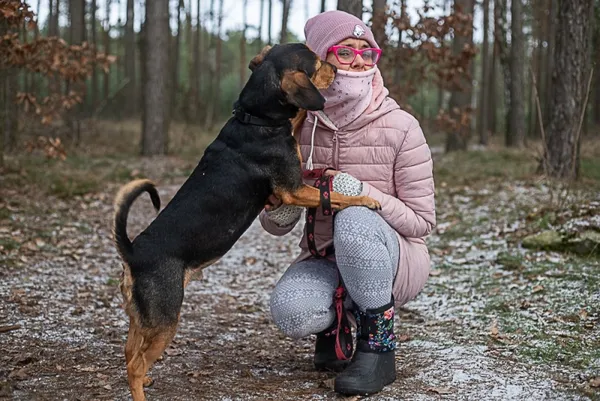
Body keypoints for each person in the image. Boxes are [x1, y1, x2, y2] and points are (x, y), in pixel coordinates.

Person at [259, 10, 436, 396]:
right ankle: (337, 323)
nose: (358, 60)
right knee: (292, 311)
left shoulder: (401, 126)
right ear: (321, 59)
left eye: (367, 52)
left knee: (354, 216)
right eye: (345, 52)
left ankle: (378, 348)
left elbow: (422, 222)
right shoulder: (298, 124)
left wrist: (362, 194)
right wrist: (278, 207)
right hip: (325, 257)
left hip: (396, 259)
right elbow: (275, 226)